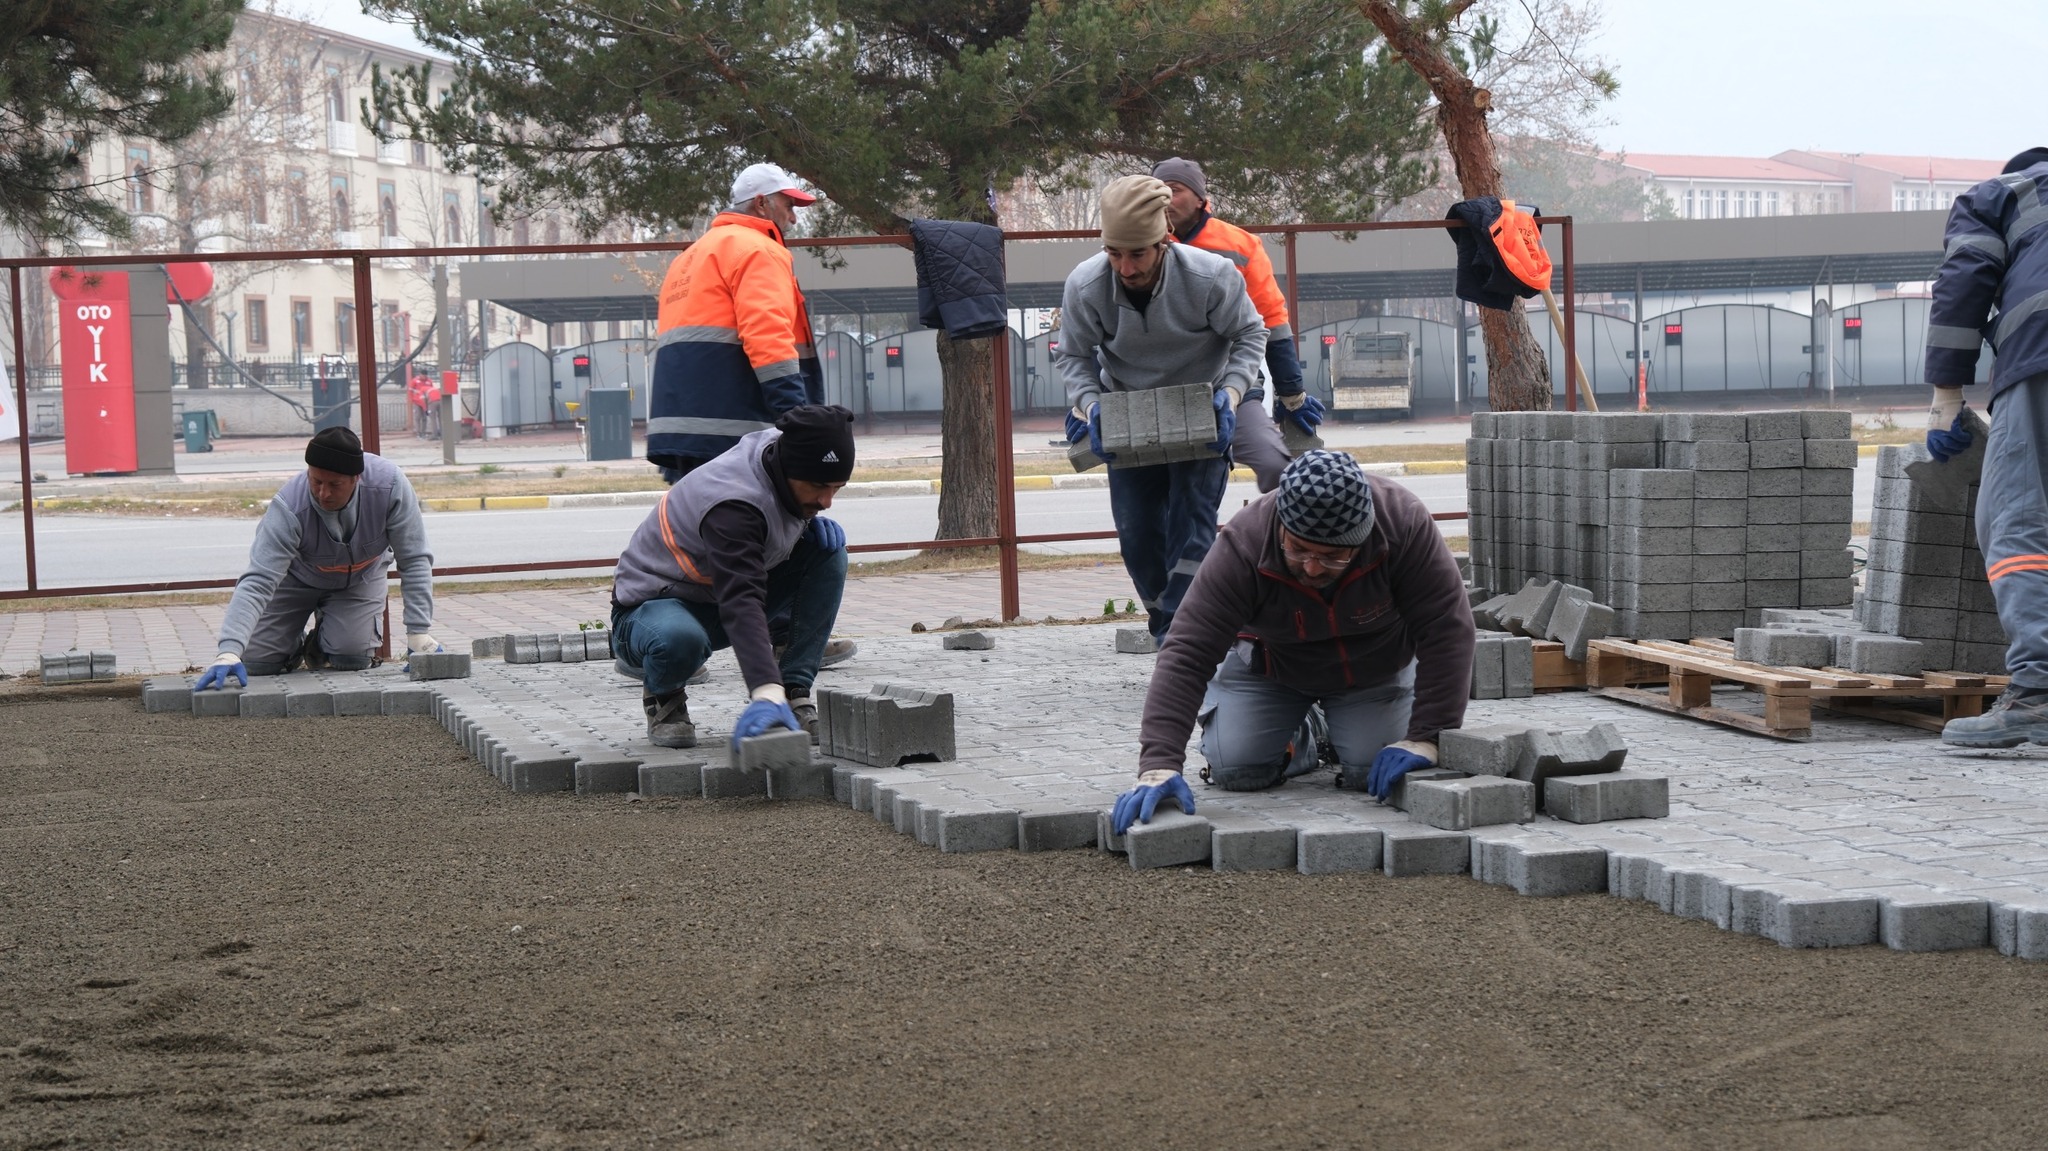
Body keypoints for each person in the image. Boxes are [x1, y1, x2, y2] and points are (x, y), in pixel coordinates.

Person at [1109, 450, 1475, 833]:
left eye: (1332, 557)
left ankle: (1346, 725)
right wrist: (1158, 764)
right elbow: (1187, 652)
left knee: (1373, 768)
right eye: (1298, 550)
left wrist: (1426, 737)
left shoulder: (1403, 524)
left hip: (1373, 671)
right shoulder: (1244, 543)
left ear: (1361, 538)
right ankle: (1306, 733)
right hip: (1273, 671)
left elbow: (1447, 628)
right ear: (1281, 527)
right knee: (1236, 768)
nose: (1313, 567)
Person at [1057, 174, 1268, 644]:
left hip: (1200, 408)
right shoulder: (1086, 286)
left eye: (1137, 254)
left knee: (1190, 530)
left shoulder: (1210, 277)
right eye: (1114, 254)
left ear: (1164, 241)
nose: (1125, 268)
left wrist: (1231, 394)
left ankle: (1182, 637)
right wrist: (1092, 409)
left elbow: (1252, 334)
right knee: (1137, 537)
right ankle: (1163, 620)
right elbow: (1072, 356)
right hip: (1127, 413)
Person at [611, 405, 855, 750]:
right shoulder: (733, 504)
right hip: (653, 609)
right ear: (787, 470)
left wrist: (806, 528)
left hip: (715, 600)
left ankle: (793, 692)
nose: (827, 501)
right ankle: (665, 697)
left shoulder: (786, 447)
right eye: (818, 486)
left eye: (837, 487)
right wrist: (762, 690)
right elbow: (742, 598)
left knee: (828, 555)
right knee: (679, 639)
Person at [1927, 146, 2048, 747]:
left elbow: (1965, 280)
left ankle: (2038, 695)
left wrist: (1947, 393)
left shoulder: (2004, 192)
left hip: (2044, 353)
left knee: (2017, 522)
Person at [194, 427, 439, 690]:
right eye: (316, 482)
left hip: (359, 580)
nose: (323, 494)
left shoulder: (389, 487)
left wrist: (418, 634)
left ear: (356, 478)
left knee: (351, 657)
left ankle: (324, 637)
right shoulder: (289, 506)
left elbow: (414, 559)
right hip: (297, 579)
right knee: (258, 663)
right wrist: (229, 650)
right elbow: (258, 579)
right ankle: (290, 640)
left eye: (335, 485)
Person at [647, 162, 824, 484]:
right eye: (789, 206)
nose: (794, 218)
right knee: (755, 529)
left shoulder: (689, 257)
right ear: (761, 203)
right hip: (736, 433)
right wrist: (797, 419)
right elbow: (767, 336)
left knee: (698, 528)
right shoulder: (758, 250)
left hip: (682, 434)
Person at [1152, 157, 1325, 446]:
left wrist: (1291, 392)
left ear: (1199, 198)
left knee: (1271, 460)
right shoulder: (1139, 245)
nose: (1166, 198)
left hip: (1232, 380)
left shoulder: (1240, 245)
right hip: (1158, 387)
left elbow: (1270, 317)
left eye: (1174, 189)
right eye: (1159, 190)